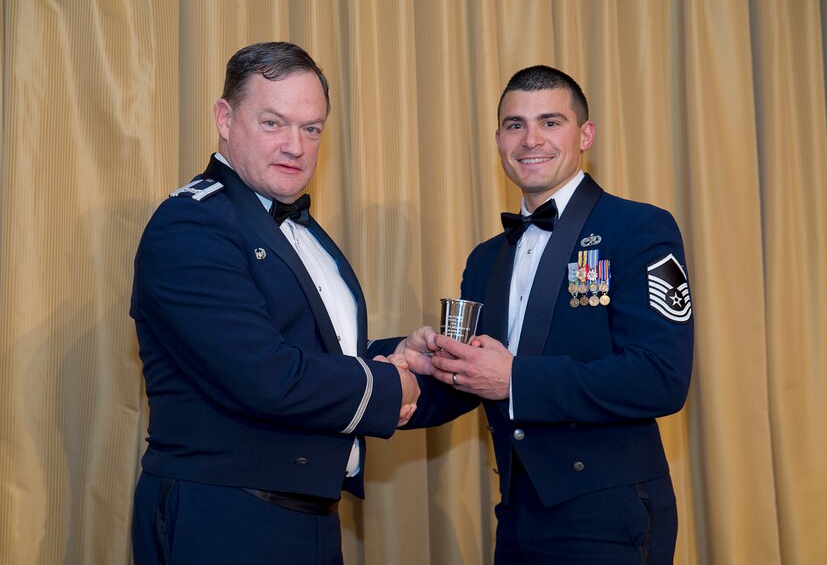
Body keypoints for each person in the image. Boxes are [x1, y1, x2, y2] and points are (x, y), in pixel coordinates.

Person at [386, 65, 694, 564]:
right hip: (516, 514)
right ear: (498, 139)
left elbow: (662, 377)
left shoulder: (640, 228)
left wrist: (517, 379)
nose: (531, 139)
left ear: (585, 134)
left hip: (609, 515)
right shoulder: (485, 258)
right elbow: (471, 379)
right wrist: (392, 386)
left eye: (551, 122)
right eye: (515, 124)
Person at [130, 41, 419, 565]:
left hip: (307, 520)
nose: (296, 146)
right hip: (224, 520)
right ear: (225, 117)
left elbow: (314, 354)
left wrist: (410, 356)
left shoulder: (294, 227)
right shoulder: (192, 223)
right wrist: (389, 385)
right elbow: (265, 376)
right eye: (273, 123)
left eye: (311, 129)